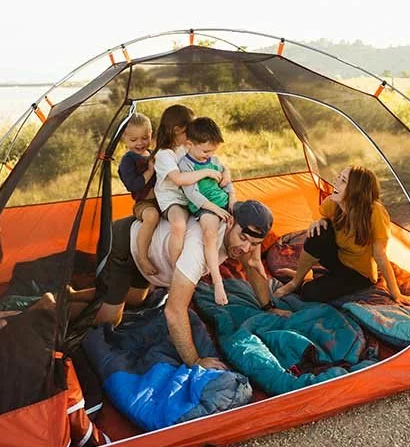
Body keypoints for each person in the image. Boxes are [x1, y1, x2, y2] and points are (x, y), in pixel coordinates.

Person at [95, 200, 279, 369]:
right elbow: (174, 311)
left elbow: (252, 265)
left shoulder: (243, 236)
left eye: (254, 243)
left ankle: (98, 293)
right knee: (109, 321)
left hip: (147, 260)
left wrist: (268, 307)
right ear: (230, 222)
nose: (246, 248)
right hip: (122, 244)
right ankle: (78, 300)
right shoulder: (198, 249)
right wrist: (195, 361)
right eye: (243, 238)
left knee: (136, 299)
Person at [274, 164, 410, 306]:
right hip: (338, 258)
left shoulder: (375, 213)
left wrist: (396, 294)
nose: (336, 181)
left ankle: (308, 278)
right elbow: (323, 219)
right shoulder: (332, 203)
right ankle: (296, 281)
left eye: (343, 181)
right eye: (339, 177)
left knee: (309, 293)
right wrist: (320, 221)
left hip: (358, 273)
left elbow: (380, 256)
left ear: (355, 191)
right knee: (318, 232)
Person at [151, 104, 229, 267]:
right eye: (189, 130)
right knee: (179, 225)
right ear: (177, 130)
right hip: (173, 200)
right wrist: (206, 172)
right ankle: (176, 267)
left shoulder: (184, 147)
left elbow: (211, 160)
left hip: (189, 196)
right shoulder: (164, 154)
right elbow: (178, 179)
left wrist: (225, 172)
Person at [178, 116, 236, 305]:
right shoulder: (185, 165)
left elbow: (227, 183)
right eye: (205, 151)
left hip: (224, 200)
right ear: (189, 144)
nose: (209, 155)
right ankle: (217, 282)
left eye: (212, 151)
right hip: (206, 207)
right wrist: (216, 210)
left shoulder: (214, 160)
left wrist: (232, 200)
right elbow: (192, 194)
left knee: (253, 217)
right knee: (209, 233)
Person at [116, 113, 161, 276]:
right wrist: (150, 171)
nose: (140, 143)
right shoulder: (128, 161)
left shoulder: (154, 154)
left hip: (163, 200)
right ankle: (142, 257)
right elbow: (132, 185)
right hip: (144, 203)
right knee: (152, 216)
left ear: (151, 134)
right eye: (134, 140)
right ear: (124, 138)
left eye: (144, 138)